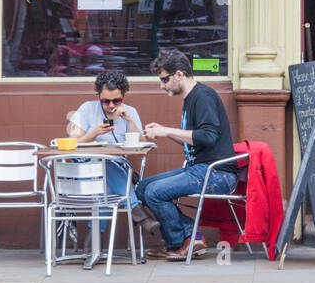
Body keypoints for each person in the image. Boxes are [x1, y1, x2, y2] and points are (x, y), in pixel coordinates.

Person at [137, 49, 238, 261]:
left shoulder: (203, 96)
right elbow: (195, 138)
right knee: (143, 188)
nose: (162, 85)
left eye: (165, 79)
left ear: (179, 74)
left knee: (155, 192)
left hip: (217, 173)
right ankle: (189, 239)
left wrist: (167, 131)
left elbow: (208, 136)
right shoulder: (191, 98)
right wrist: (165, 130)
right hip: (199, 169)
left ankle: (186, 240)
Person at [65, 69, 146, 230]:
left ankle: (93, 240)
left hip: (114, 175)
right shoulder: (87, 109)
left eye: (116, 101)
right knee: (105, 164)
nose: (110, 106)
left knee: (105, 181)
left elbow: (142, 145)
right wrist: (93, 133)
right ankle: (136, 210)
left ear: (124, 96)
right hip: (85, 174)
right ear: (98, 97)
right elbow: (71, 144)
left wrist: (129, 121)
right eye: (105, 101)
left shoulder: (130, 112)